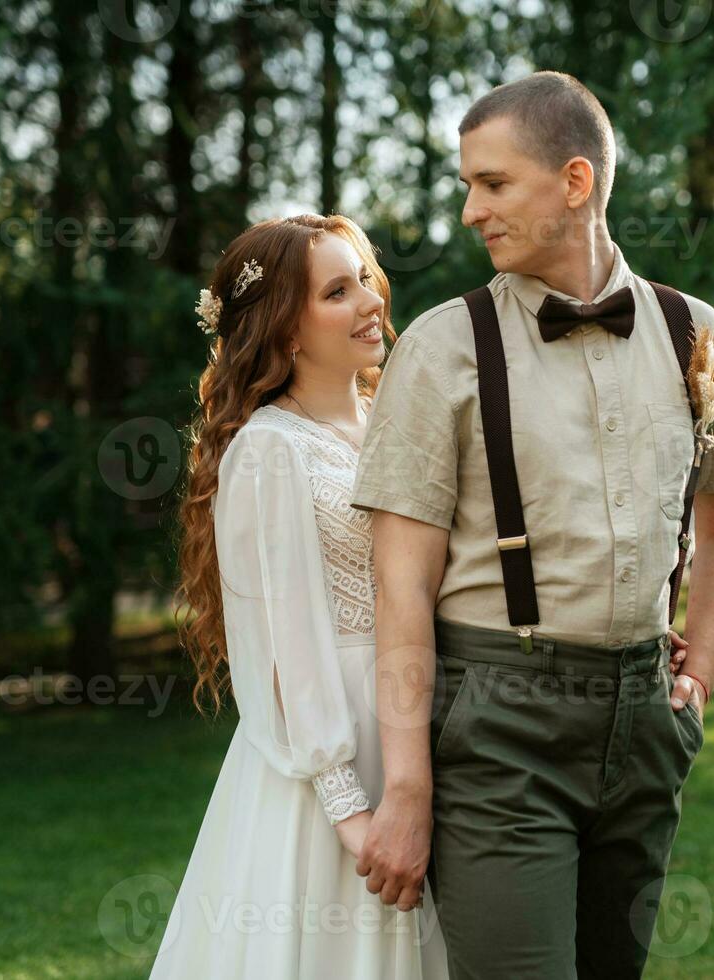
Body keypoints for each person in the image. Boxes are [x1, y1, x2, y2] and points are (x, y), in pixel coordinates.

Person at [349, 72, 714, 979]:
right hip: (500, 728)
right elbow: (400, 586)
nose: (470, 211)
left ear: (575, 182)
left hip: (645, 720)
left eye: (492, 184)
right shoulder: (441, 346)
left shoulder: (697, 334)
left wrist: (696, 685)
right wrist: (410, 789)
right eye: (468, 184)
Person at [152, 214, 450, 978]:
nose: (370, 302)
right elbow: (282, 649)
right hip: (335, 759)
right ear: (285, 329)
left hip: (435, 719)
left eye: (365, 280)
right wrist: (352, 815)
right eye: (337, 291)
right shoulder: (268, 451)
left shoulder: (399, 422)